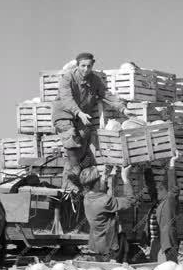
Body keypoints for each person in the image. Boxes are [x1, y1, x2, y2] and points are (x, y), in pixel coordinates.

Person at [52, 52, 129, 192]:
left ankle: (73, 182)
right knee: (72, 140)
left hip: (81, 117)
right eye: (83, 66)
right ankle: (73, 184)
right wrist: (78, 112)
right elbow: (67, 98)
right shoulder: (68, 78)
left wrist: (122, 109)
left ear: (92, 65)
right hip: (64, 115)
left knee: (83, 144)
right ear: (77, 65)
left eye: (89, 66)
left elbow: (106, 95)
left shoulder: (95, 80)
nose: (86, 69)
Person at [80, 164, 137, 262]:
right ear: (96, 183)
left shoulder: (87, 198)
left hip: (97, 245)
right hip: (110, 246)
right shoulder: (106, 201)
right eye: (98, 179)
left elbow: (98, 192)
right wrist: (125, 178)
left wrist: (104, 176)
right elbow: (130, 200)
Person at [144, 151, 180, 262]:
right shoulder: (157, 202)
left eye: (160, 189)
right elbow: (151, 186)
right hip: (155, 243)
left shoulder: (170, 201)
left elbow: (173, 186)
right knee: (154, 269)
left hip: (167, 245)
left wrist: (172, 163)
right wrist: (147, 168)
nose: (157, 189)